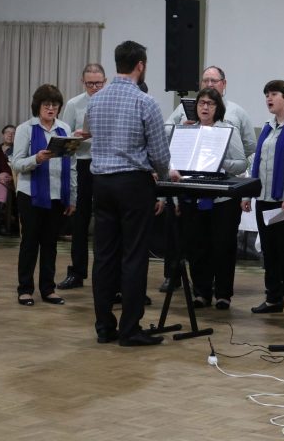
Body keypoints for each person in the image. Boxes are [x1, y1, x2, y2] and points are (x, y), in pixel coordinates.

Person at [87, 40, 179, 346]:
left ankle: (104, 326)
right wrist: (165, 176)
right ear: (140, 65)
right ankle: (129, 329)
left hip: (101, 183)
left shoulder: (96, 100)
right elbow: (159, 154)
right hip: (132, 183)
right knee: (134, 255)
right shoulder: (145, 102)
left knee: (104, 256)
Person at [241, 80, 284, 319]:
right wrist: (249, 192)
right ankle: (273, 297)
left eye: (273, 94)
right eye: (266, 95)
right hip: (265, 197)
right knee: (269, 250)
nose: (268, 99)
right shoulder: (269, 126)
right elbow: (258, 163)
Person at [179, 87, 248, 310]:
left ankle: (223, 294)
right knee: (197, 246)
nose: (205, 107)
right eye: (201, 103)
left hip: (222, 200)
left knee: (222, 247)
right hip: (194, 197)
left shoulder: (228, 130)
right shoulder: (189, 130)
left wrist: (219, 160)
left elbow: (242, 164)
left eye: (210, 103)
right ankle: (201, 292)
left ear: (218, 108)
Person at [11, 85, 76, 307]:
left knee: (50, 244)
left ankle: (48, 289)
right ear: (37, 106)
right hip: (30, 194)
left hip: (57, 194)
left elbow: (72, 165)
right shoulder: (25, 129)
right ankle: (25, 289)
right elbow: (16, 164)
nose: (51, 108)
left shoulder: (64, 129)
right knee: (30, 242)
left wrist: (72, 196)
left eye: (55, 105)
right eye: (46, 105)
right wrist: (36, 159)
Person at [56, 63, 107, 290]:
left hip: (106, 164)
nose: (94, 87)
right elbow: (65, 140)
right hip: (83, 164)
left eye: (98, 83)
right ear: (82, 82)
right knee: (80, 220)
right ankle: (77, 272)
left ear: (105, 81)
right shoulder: (74, 104)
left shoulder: (110, 101)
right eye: (90, 84)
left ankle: (103, 273)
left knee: (105, 221)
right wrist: (78, 137)